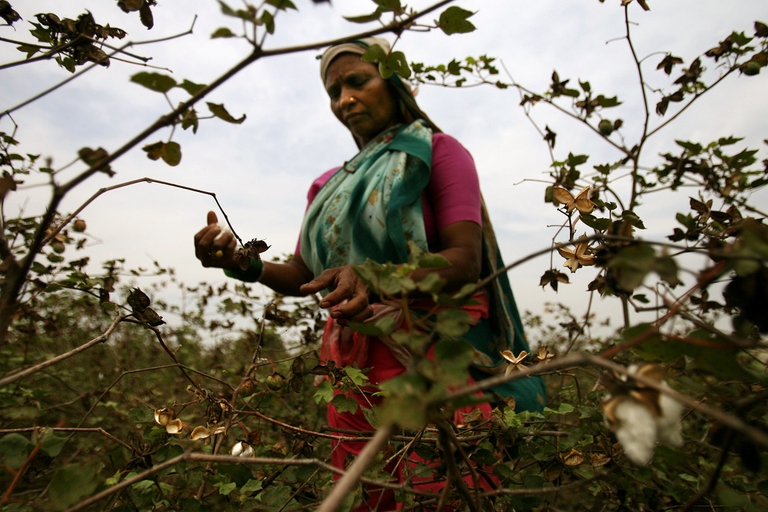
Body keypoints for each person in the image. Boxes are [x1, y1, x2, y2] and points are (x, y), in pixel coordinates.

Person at [194, 37, 545, 510]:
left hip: (432, 352)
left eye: (358, 82)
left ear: (395, 82)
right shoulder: (327, 185)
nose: (345, 101)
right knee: (371, 494)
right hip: (353, 370)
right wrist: (244, 263)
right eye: (334, 92)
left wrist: (370, 277)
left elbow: (464, 261)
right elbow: (305, 273)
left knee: (442, 491)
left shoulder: (438, 153)